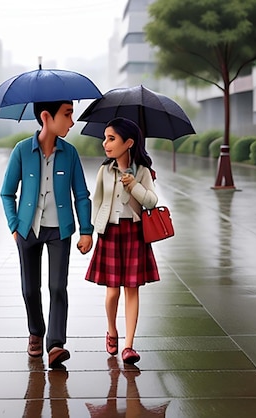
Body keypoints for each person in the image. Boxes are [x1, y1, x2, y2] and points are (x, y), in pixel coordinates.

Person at [0, 100, 94, 368]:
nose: (72, 121)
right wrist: (14, 225)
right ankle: (36, 331)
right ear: (45, 116)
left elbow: (82, 196)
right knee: (30, 289)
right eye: (67, 114)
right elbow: (7, 192)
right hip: (27, 229)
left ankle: (55, 344)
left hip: (59, 230)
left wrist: (86, 230)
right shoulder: (21, 151)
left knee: (57, 287)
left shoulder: (71, 154)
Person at [85, 117, 160, 365]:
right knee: (112, 292)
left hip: (135, 233)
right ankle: (111, 329)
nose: (105, 143)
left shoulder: (143, 172)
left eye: (111, 138)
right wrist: (93, 231)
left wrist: (135, 185)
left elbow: (151, 201)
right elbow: (96, 201)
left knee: (132, 290)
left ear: (129, 142)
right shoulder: (104, 172)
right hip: (110, 233)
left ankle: (128, 345)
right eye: (105, 138)